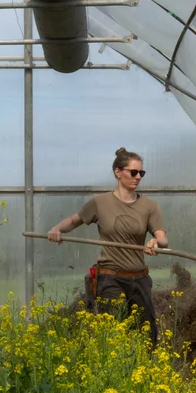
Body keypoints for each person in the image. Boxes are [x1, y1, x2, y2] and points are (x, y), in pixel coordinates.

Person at [47, 147, 168, 345]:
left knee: (148, 336)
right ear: (118, 172)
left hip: (139, 279)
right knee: (112, 332)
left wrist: (156, 242)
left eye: (141, 173)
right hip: (110, 277)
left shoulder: (149, 207)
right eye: (133, 172)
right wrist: (57, 229)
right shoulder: (100, 203)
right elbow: (74, 220)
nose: (138, 177)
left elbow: (163, 238)